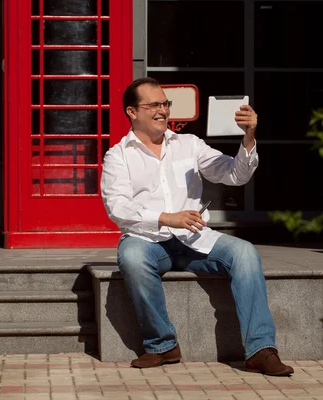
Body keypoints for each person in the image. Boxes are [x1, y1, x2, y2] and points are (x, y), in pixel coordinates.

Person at [100, 77, 293, 376]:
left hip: (194, 240)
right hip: (147, 239)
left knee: (244, 252)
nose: (162, 111)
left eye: (165, 104)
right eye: (154, 105)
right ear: (132, 112)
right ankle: (162, 345)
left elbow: (234, 174)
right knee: (132, 257)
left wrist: (249, 137)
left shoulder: (189, 144)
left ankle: (260, 350)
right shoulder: (118, 156)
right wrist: (166, 217)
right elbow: (118, 207)